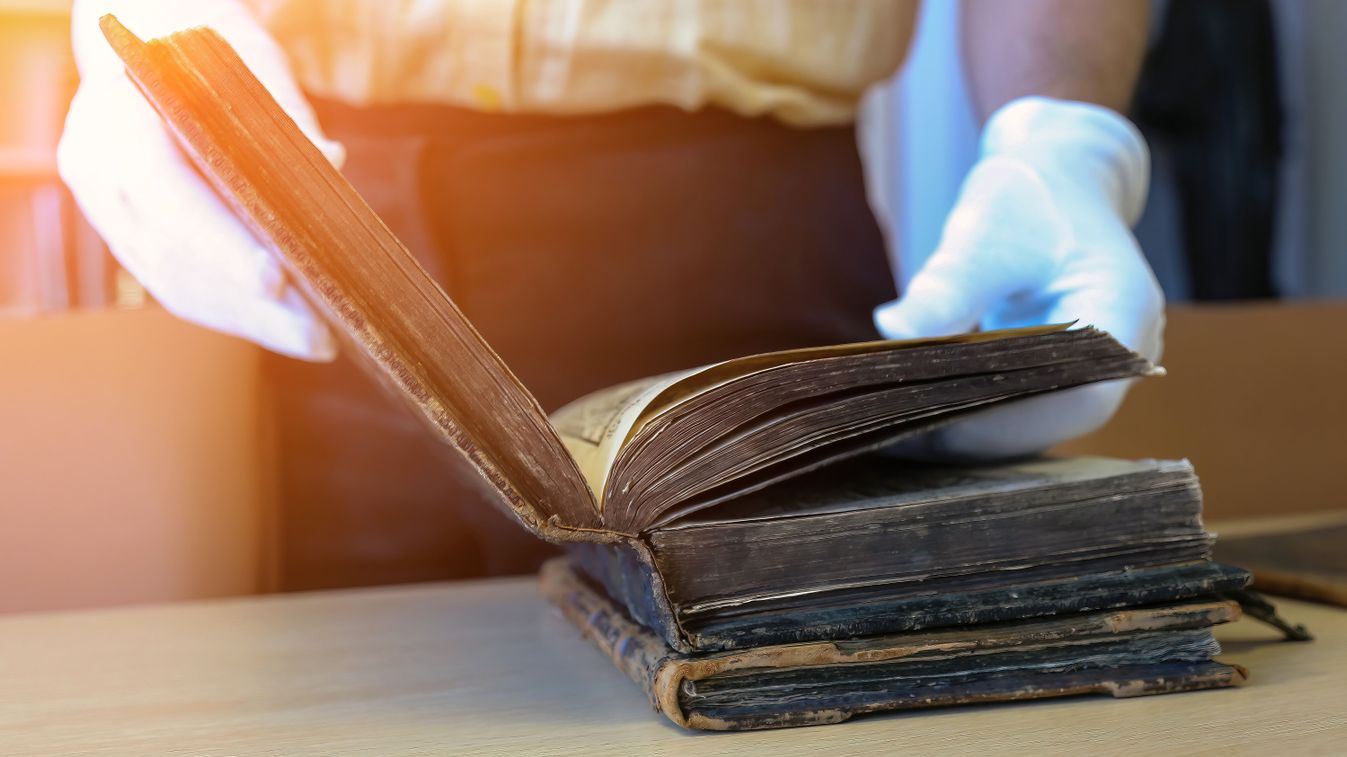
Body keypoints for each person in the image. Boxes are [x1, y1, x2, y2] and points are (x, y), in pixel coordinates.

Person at [58, 0, 1164, 587]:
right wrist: (142, 36)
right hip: (341, 219)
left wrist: (1062, 136)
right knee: (364, 701)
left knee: (773, 683)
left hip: (743, 223)